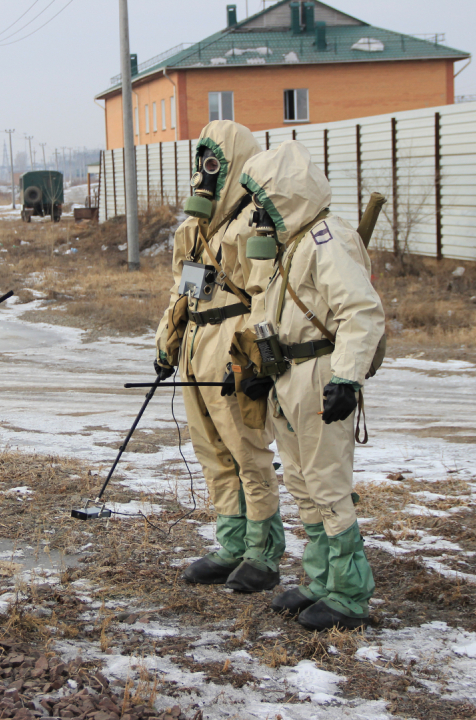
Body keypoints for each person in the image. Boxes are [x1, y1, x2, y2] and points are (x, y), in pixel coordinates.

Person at [237, 141, 385, 631]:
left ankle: (348, 594)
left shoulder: (327, 240)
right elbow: (274, 312)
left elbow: (360, 311)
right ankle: (322, 580)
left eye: (263, 198)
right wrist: (261, 369)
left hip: (321, 374)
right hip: (289, 377)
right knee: (302, 482)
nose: (257, 210)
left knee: (327, 483)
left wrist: (346, 378)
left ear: (284, 194)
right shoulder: (293, 243)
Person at [153, 121, 285, 593]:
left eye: (215, 163)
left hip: (232, 345)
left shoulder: (256, 225)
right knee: (212, 453)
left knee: (248, 451)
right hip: (195, 345)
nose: (205, 174)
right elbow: (182, 289)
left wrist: (255, 362)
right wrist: (167, 343)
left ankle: (262, 554)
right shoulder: (193, 228)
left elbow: (267, 296)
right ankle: (231, 544)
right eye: (202, 162)